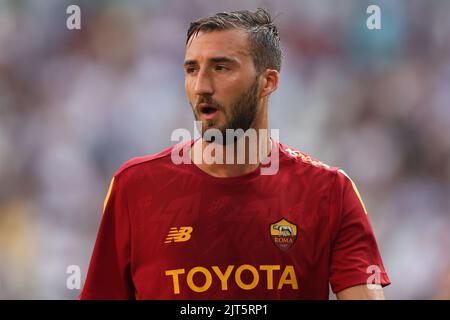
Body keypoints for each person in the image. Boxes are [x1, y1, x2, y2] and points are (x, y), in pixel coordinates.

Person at [80, 8, 390, 300]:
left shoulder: (329, 192)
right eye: (192, 69)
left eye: (221, 67)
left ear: (267, 82)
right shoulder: (135, 187)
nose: (201, 85)